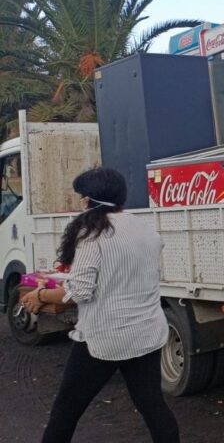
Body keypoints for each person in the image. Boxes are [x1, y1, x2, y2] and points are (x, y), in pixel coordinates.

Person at [19, 168, 179, 443]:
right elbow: (116, 274)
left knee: (66, 410)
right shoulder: (143, 227)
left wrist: (41, 295)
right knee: (153, 407)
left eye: (82, 197)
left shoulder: (92, 235)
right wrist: (66, 279)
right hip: (146, 333)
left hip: (103, 338)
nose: (81, 202)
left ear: (90, 200)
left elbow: (80, 292)